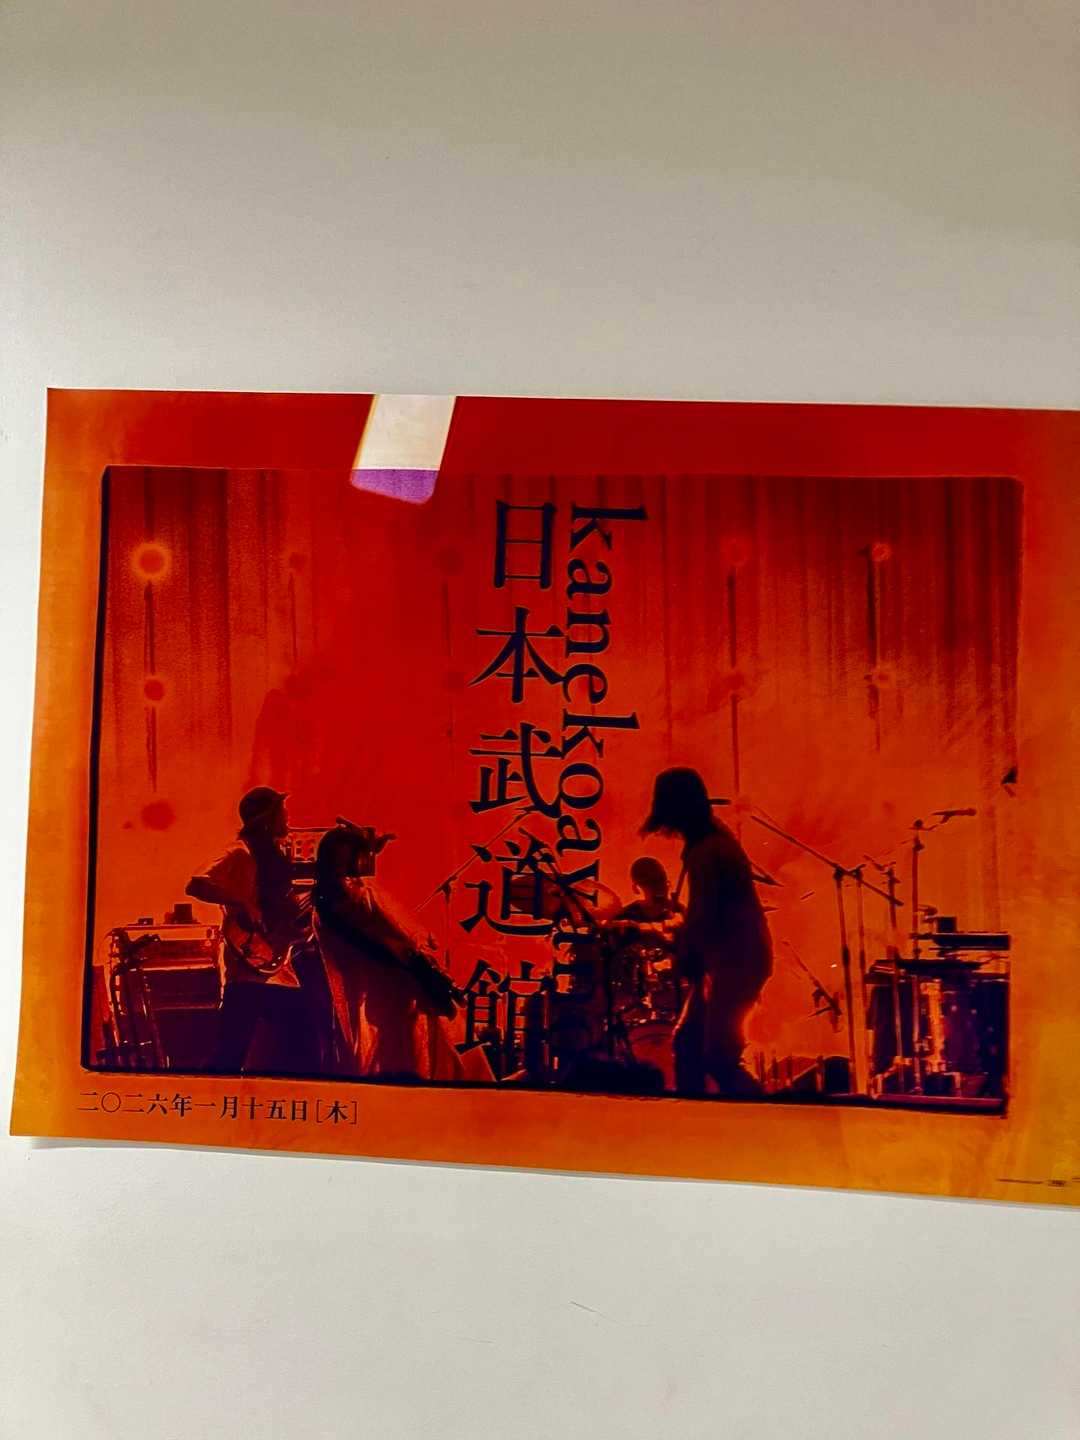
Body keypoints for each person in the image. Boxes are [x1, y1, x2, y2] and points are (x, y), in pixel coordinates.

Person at [312, 824, 491, 1082]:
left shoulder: (332, 898)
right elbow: (391, 937)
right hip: (395, 981)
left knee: (412, 1046)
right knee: (417, 1047)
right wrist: (417, 964)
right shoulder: (353, 896)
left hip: (388, 980)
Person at [641, 768, 772, 1097]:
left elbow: (704, 915)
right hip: (734, 959)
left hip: (736, 962)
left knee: (718, 1058)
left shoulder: (707, 851)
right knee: (689, 1045)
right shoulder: (713, 841)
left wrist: (683, 952)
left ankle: (768, 1116)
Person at [186, 786, 318, 1075]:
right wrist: (242, 902)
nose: (288, 817)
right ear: (267, 819)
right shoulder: (239, 853)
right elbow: (196, 883)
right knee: (232, 1054)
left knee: (300, 1048)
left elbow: (279, 911)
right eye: (282, 812)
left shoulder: (272, 859)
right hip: (248, 968)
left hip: (277, 967)